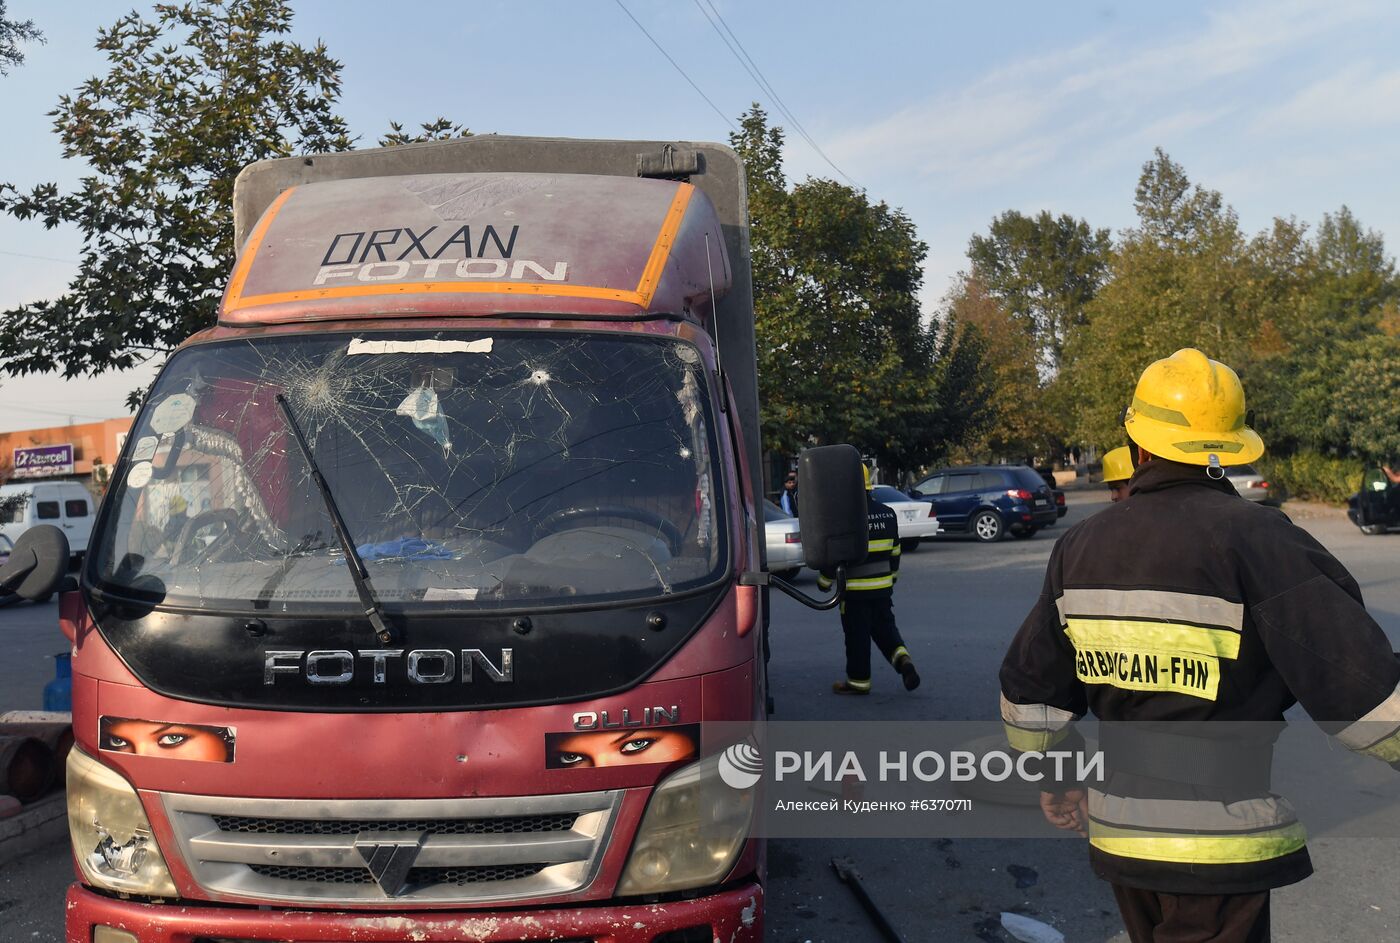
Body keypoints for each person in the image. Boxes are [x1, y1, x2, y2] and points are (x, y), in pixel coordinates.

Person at [1000, 348, 1400, 943]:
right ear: (1229, 448)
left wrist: (1059, 779)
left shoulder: (1080, 546)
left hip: (1122, 834)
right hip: (1221, 842)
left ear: (1138, 446)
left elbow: (1033, 697)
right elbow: (1370, 703)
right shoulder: (1263, 541)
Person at [819, 464, 920, 695]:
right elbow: (895, 552)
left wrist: (824, 582)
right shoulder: (888, 514)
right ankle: (903, 660)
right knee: (886, 630)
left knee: (857, 637)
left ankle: (858, 681)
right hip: (883, 589)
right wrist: (891, 579)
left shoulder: (843, 518)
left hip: (854, 593)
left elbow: (834, 556)